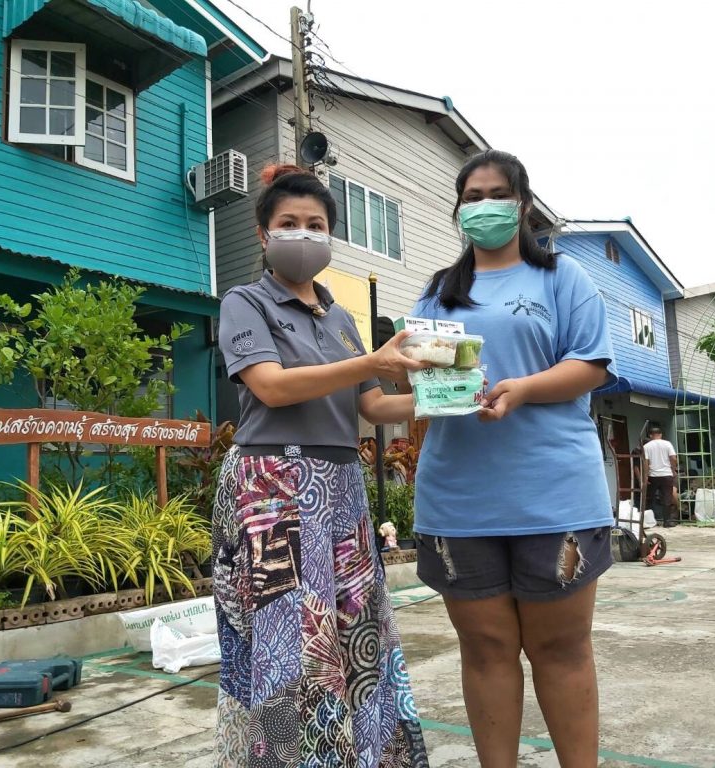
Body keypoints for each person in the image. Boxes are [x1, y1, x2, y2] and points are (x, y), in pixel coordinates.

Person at [213, 164, 429, 767]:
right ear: (263, 234)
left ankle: (365, 756)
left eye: (316, 224)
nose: (303, 234)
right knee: (287, 639)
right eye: (289, 223)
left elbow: (373, 407)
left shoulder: (341, 320)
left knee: (357, 629)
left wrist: (447, 402)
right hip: (272, 485)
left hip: (340, 485)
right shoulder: (245, 302)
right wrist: (371, 363)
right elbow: (272, 387)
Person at [410, 149, 617, 768]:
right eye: (471, 196)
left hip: (555, 495)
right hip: (458, 499)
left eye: (497, 194)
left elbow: (590, 365)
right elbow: (419, 380)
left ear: (523, 205)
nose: (484, 206)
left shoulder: (563, 277)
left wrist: (521, 389)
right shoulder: (439, 292)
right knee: (485, 649)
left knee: (561, 649)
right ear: (458, 209)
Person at [643, 426, 679, 528]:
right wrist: (673, 469)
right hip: (667, 474)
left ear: (650, 435)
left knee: (651, 498)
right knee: (667, 497)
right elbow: (673, 458)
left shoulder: (646, 446)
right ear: (661, 434)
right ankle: (666, 522)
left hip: (653, 476)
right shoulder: (667, 444)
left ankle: (650, 520)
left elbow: (646, 462)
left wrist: (645, 476)